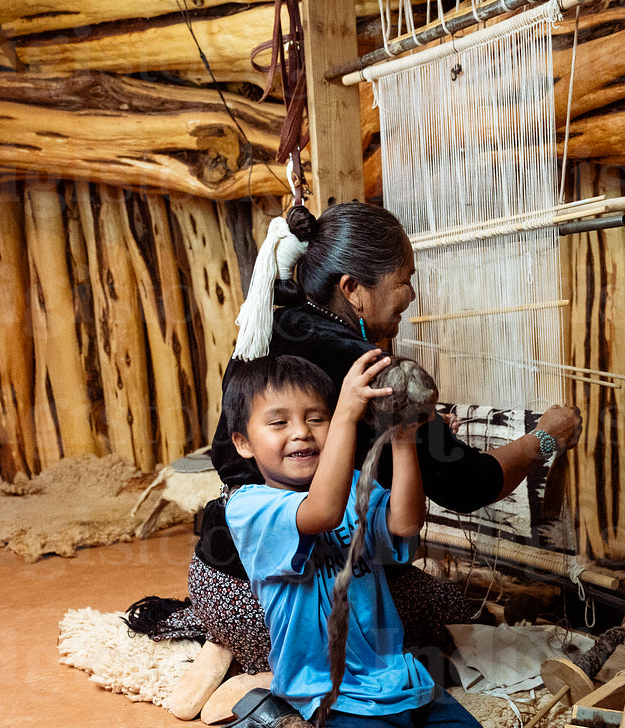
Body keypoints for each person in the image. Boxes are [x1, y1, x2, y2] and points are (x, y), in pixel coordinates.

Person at [187, 200, 583, 670]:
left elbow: (230, 455)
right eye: (404, 279)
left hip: (215, 581)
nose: (412, 294)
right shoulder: (369, 371)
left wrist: (420, 441)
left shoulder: (270, 323)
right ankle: (275, 677)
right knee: (448, 609)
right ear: (353, 290)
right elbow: (470, 485)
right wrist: (545, 437)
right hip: (279, 613)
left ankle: (230, 652)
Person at [189, 351, 486, 728]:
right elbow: (321, 511)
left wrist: (404, 441)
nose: (301, 432)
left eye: (317, 418)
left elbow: (406, 523)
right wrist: (347, 412)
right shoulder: (250, 507)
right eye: (278, 423)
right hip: (326, 689)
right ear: (242, 443)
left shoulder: (350, 485)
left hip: (387, 673)